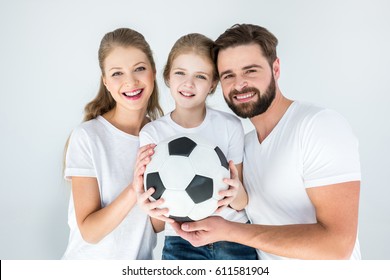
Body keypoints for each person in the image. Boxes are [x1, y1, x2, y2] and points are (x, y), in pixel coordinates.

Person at [171, 24, 362, 260]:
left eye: (250, 71)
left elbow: (337, 245)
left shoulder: (318, 126)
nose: (239, 84)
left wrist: (232, 232)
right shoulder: (244, 145)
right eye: (228, 75)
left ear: (276, 68)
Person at [134, 33, 257, 260]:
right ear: (168, 76)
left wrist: (235, 192)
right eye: (180, 72)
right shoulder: (153, 134)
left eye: (200, 76)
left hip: (233, 237)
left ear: (212, 84)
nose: (188, 83)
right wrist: (147, 205)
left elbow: (242, 203)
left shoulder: (230, 126)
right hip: (181, 242)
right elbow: (158, 225)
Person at [62, 27, 163, 259]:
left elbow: (154, 226)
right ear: (105, 81)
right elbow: (90, 232)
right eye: (117, 73)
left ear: (153, 72)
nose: (130, 81)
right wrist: (133, 190)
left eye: (139, 68)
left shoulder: (162, 137)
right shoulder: (88, 137)